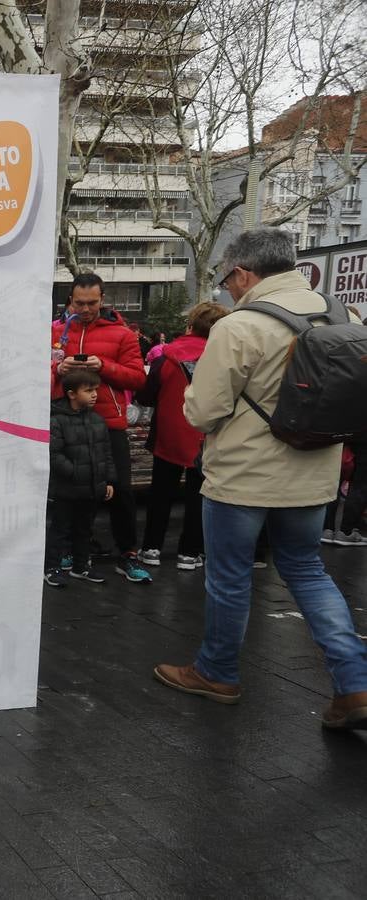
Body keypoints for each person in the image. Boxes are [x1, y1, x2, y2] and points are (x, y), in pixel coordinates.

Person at [154, 227, 367, 731]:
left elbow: (204, 412)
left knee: (229, 578)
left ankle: (217, 673)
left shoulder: (239, 326)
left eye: (227, 278)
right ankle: (355, 684)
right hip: (315, 475)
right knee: (308, 572)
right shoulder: (344, 315)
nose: (227, 288)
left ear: (244, 272)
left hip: (242, 479)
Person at [52, 273, 150, 582]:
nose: (85, 309)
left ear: (102, 299)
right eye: (79, 303)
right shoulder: (55, 332)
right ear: (70, 300)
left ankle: (128, 552)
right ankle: (69, 550)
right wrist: (58, 368)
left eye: (92, 303)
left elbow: (137, 379)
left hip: (108, 422)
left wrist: (103, 367)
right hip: (66, 422)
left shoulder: (122, 334)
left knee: (120, 490)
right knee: (69, 491)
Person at [136, 302, 229, 570]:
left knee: (161, 494)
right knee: (198, 497)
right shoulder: (223, 356)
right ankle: (190, 552)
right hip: (208, 437)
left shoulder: (166, 356)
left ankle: (151, 548)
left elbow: (146, 395)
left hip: (169, 435)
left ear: (191, 324)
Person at [44, 370, 115, 587]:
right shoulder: (57, 421)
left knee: (85, 529)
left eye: (95, 389)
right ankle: (51, 568)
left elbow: (106, 452)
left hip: (92, 488)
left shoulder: (96, 420)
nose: (95, 394)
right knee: (60, 528)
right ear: (72, 394)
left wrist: (109, 480)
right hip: (66, 488)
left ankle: (81, 566)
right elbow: (54, 454)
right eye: (88, 390)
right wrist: (74, 472)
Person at [323, 440, 366, 546]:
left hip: (337, 434)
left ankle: (326, 530)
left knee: (333, 480)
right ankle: (346, 532)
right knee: (360, 484)